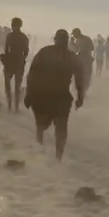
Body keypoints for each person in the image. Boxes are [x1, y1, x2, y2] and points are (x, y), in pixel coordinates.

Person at [25, 29, 84, 161]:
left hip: (47, 96)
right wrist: (80, 97)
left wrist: (29, 94)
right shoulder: (69, 56)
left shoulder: (45, 52)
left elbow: (32, 75)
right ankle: (56, 156)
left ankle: (47, 153)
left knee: (44, 126)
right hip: (56, 96)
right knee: (57, 128)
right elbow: (79, 78)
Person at [1, 17, 30, 112]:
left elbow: (25, 52)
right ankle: (11, 106)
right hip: (15, 62)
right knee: (10, 86)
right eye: (13, 25)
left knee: (15, 86)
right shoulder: (22, 37)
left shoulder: (13, 36)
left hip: (14, 62)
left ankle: (14, 107)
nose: (14, 27)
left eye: (15, 25)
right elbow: (26, 52)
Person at [71, 27, 95, 93]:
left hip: (84, 59)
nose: (74, 36)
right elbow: (92, 48)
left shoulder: (81, 40)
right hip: (83, 59)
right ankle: (83, 89)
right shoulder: (84, 39)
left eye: (74, 34)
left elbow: (92, 48)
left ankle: (83, 89)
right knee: (86, 75)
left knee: (85, 75)